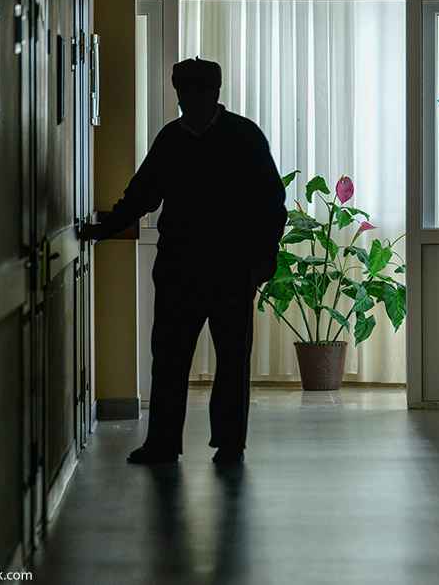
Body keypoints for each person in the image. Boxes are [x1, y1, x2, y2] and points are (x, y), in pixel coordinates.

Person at [80, 58, 286, 466]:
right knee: (170, 359)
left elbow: (271, 204)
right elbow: (141, 195)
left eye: (194, 91)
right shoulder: (172, 140)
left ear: (214, 92)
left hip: (230, 270)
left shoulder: (243, 137)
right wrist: (102, 230)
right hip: (181, 271)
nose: (186, 100)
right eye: (182, 92)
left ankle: (229, 443)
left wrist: (264, 259)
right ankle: (163, 442)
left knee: (231, 360)